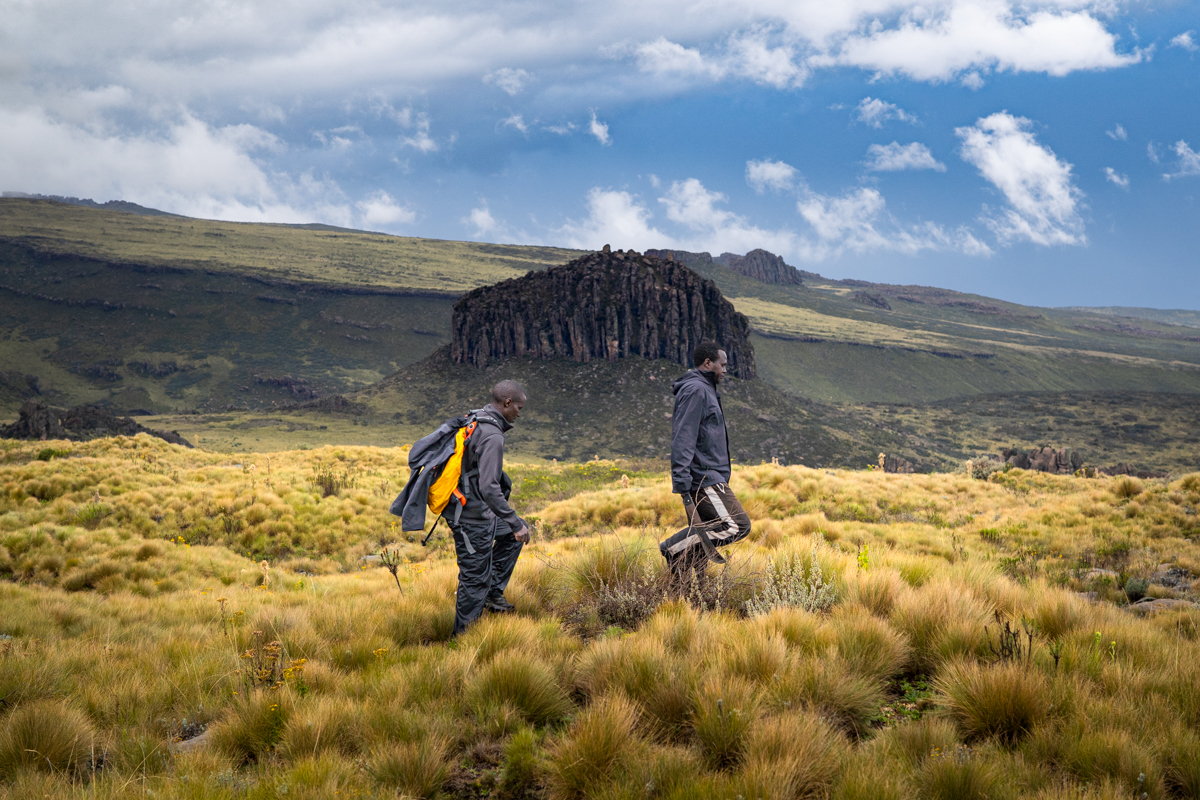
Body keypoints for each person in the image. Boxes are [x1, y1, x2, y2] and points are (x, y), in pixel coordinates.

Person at [659, 341, 751, 580]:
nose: (726, 370)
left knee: (708, 538)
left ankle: (685, 590)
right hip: (704, 478)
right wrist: (683, 483)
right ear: (708, 363)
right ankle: (672, 549)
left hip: (711, 476)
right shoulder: (697, 390)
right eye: (723, 364)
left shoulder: (705, 389)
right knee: (736, 526)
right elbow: (683, 438)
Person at [446, 379, 531, 637]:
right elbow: (489, 488)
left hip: (467, 509)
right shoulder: (492, 435)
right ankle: (462, 642)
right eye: (518, 407)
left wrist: (515, 525)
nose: (519, 412)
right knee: (474, 581)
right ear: (507, 403)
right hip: (471, 518)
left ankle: (492, 593)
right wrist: (515, 523)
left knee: (513, 534)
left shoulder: (476, 417)